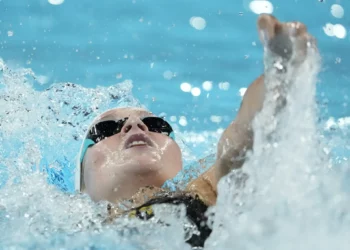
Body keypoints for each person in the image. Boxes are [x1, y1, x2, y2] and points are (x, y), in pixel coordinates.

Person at [75, 14, 317, 247]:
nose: (135, 126)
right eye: (107, 128)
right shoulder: (65, 226)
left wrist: (280, 73)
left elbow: (244, 137)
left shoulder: (208, 194)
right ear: (82, 184)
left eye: (156, 125)